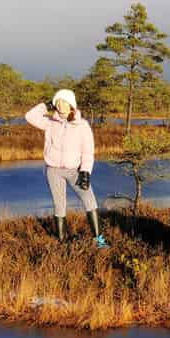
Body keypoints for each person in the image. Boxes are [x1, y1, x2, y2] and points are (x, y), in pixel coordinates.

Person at [25, 89, 106, 247]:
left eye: (64, 101)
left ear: (72, 105)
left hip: (74, 171)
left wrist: (85, 172)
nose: (61, 105)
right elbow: (29, 116)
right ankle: (62, 241)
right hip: (53, 171)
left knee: (90, 201)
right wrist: (46, 105)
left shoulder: (82, 126)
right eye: (57, 102)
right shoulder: (50, 123)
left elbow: (88, 152)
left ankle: (99, 241)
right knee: (59, 204)